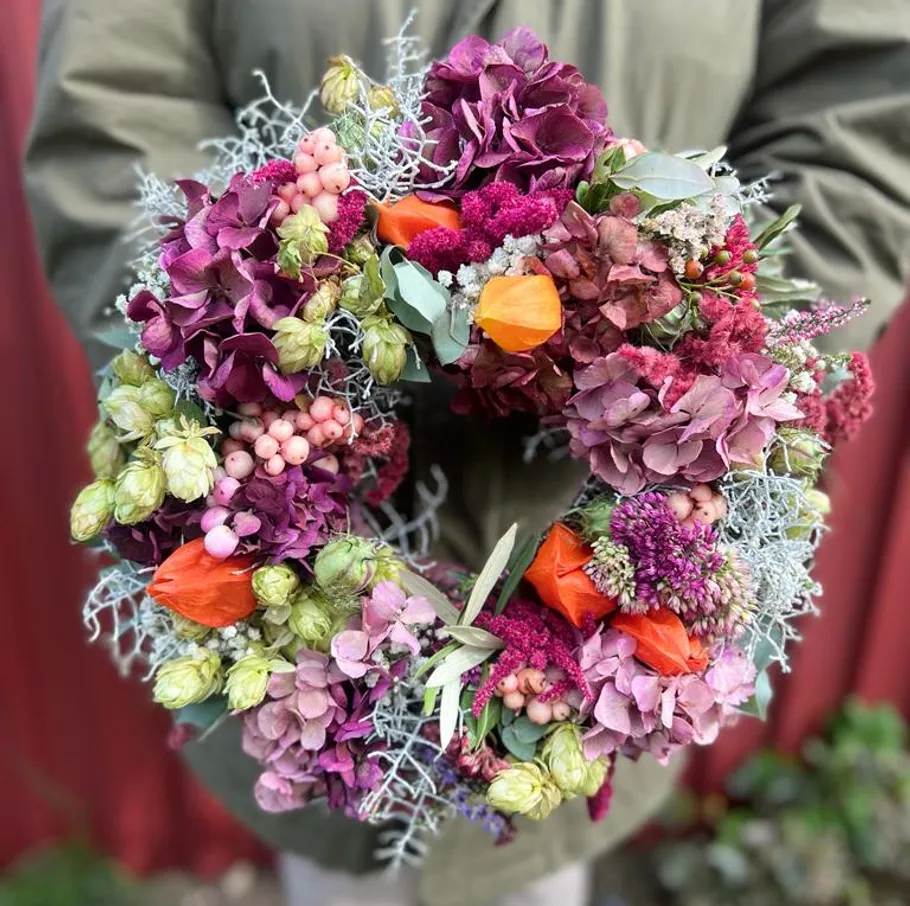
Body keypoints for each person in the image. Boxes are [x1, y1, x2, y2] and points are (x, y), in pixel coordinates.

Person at [24, 2, 910, 905]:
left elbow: (858, 119)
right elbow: (114, 108)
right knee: (334, 865)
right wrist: (213, 324)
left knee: (538, 870)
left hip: (616, 567)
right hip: (276, 539)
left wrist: (727, 351)